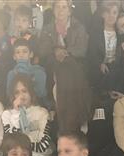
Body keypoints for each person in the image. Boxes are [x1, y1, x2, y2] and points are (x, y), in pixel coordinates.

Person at [37, 0, 91, 133]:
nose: (60, 10)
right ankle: (58, 113)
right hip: (53, 66)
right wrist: (55, 51)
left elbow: (82, 49)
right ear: (53, 10)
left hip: (74, 67)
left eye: (64, 7)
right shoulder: (47, 29)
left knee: (68, 70)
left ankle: (78, 116)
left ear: (69, 10)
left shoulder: (79, 27)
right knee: (57, 72)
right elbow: (42, 50)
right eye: (57, 7)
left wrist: (66, 52)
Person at [0, 74, 53, 156]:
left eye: (24, 91)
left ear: (31, 92)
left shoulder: (42, 112)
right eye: (17, 92)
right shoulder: (7, 114)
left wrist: (25, 148)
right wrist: (17, 113)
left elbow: (43, 145)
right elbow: (11, 141)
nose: (21, 95)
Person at [6, 38, 48, 106]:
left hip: (37, 106)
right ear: (14, 56)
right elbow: (9, 94)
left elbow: (41, 93)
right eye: (18, 52)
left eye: (25, 51)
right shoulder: (11, 74)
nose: (21, 55)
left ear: (31, 54)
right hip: (17, 106)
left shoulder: (39, 72)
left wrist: (27, 74)